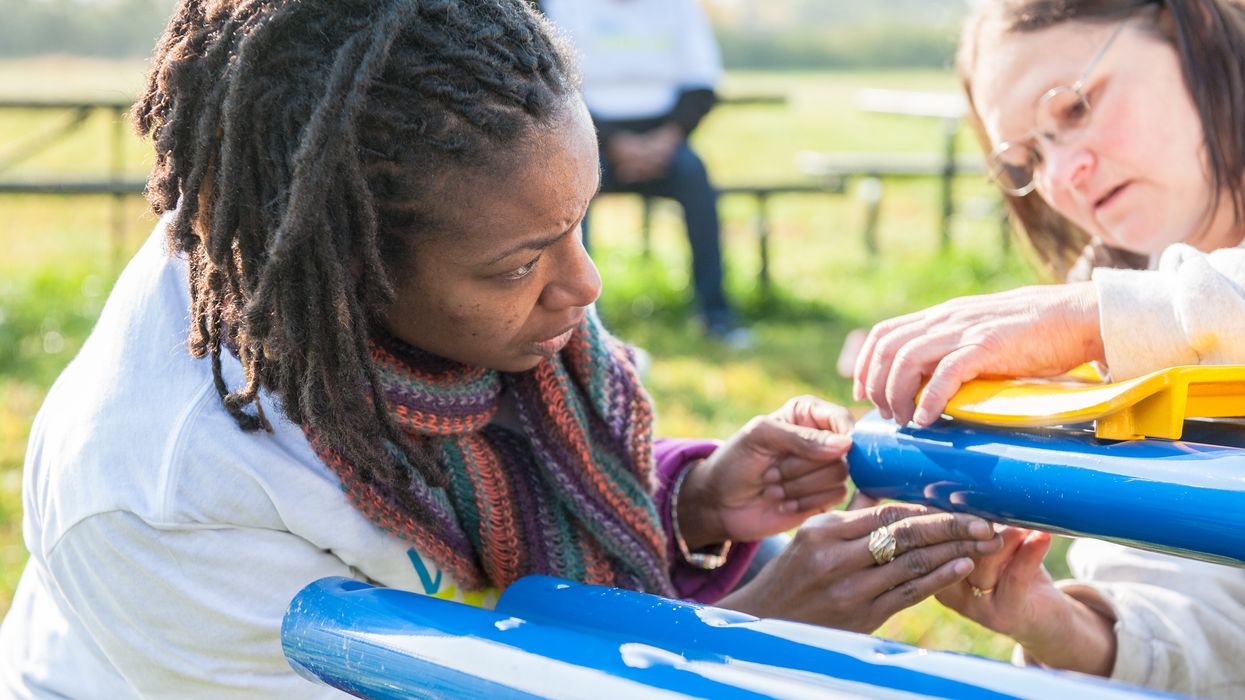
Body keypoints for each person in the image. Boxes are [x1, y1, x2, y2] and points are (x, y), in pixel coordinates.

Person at [0, 1, 1002, 696]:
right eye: (523, 260)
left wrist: (686, 502)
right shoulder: (168, 492)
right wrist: (740, 643)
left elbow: (479, 530)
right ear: (351, 266)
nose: (585, 285)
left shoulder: (465, 274)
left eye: (582, 224)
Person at [852, 1, 1245, 696]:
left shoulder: (1114, 318)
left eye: (1072, 108)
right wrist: (1064, 628)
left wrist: (1096, 317)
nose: (1063, 177)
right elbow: (1213, 638)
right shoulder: (1124, 331)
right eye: (1029, 159)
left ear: (1198, 28)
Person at [537, 0, 748, 343]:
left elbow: (702, 84)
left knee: (698, 181)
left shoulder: (681, 8)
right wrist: (611, 140)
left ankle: (716, 314)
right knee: (568, 195)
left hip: (667, 138)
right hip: (586, 137)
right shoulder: (561, 6)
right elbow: (553, 85)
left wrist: (666, 139)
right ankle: (579, 324)